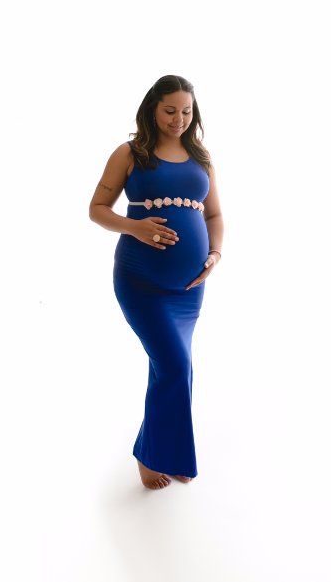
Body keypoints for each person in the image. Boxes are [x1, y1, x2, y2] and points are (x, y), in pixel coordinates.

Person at [89, 75, 224, 490]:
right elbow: (97, 209)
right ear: (152, 109)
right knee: (174, 366)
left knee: (176, 368)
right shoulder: (130, 153)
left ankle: (170, 451)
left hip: (189, 289)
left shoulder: (200, 156)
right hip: (141, 282)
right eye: (169, 111)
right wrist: (136, 227)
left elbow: (214, 215)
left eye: (186, 111)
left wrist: (214, 254)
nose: (178, 119)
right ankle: (150, 456)